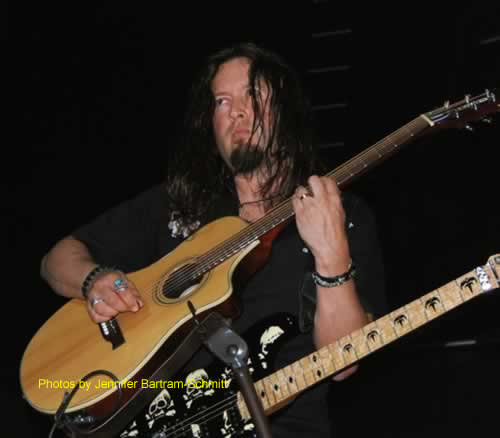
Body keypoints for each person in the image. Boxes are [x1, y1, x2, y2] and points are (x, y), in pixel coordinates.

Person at [41, 42, 386, 437]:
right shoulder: (181, 202)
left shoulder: (343, 212)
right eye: (222, 101)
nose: (236, 111)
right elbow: (57, 260)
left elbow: (343, 363)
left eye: (253, 95)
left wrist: (332, 254)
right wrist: (93, 281)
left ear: (286, 110)